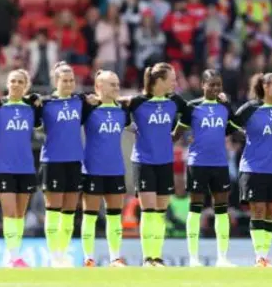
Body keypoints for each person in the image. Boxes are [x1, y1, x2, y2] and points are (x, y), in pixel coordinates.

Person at [231, 73, 272, 267]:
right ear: (266, 88)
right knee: (258, 210)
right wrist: (245, 135)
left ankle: (265, 255)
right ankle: (259, 256)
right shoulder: (250, 109)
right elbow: (231, 124)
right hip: (253, 167)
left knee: (270, 211)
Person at [128, 62, 189, 267]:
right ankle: (147, 258)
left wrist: (176, 133)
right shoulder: (138, 102)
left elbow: (189, 114)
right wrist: (131, 127)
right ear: (159, 81)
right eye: (171, 79)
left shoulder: (174, 101)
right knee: (149, 210)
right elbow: (117, 108)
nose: (175, 82)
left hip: (165, 161)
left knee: (161, 212)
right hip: (143, 162)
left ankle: (157, 256)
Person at [173, 69, 236, 268]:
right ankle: (193, 258)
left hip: (220, 163)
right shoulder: (192, 107)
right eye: (211, 84)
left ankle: (223, 258)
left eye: (219, 85)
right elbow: (178, 133)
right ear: (202, 85)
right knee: (195, 209)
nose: (216, 88)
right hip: (197, 163)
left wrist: (228, 105)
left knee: (221, 210)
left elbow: (232, 127)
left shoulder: (224, 107)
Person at [39, 62, 96, 267]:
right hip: (52, 161)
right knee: (53, 210)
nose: (69, 84)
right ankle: (53, 254)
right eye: (65, 80)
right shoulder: (45, 103)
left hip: (74, 161)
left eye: (72, 80)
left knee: (70, 211)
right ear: (56, 81)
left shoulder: (80, 102)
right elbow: (37, 126)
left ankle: (62, 253)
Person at [0, 69, 41, 268]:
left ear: (26, 86)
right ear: (7, 84)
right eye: (12, 81)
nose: (15, 84)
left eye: (19, 81)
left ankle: (15, 254)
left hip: (25, 166)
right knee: (8, 212)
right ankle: (12, 256)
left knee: (19, 215)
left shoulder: (32, 107)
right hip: (2, 166)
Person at [81, 70, 130, 268]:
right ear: (99, 87)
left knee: (114, 216)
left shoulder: (122, 111)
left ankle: (115, 258)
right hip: (92, 169)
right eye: (112, 84)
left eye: (117, 84)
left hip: (116, 169)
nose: (117, 88)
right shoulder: (89, 110)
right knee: (90, 216)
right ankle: (88, 258)